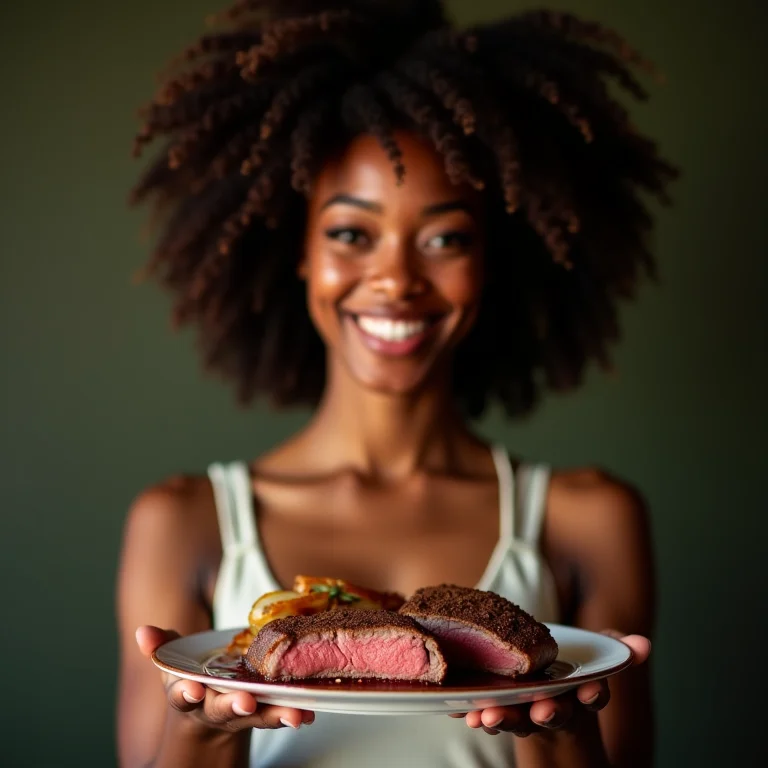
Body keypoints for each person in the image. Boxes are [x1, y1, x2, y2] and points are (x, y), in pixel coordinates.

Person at [118, 1, 675, 766]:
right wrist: (203, 725)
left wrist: (563, 730)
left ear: (491, 262)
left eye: (445, 238)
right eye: (351, 233)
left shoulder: (588, 519)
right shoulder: (184, 522)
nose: (396, 280)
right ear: (301, 252)